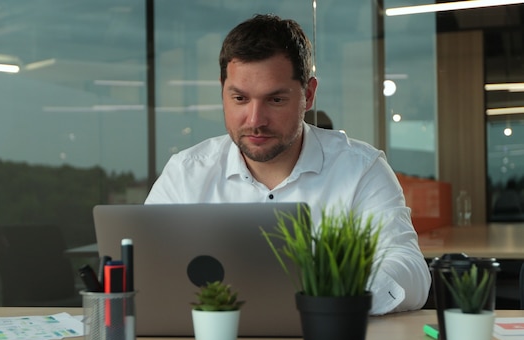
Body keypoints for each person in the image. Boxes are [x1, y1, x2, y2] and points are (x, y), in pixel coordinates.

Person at [145, 14, 430, 315]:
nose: (255, 120)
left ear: (308, 94)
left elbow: (410, 271)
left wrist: (328, 296)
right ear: (222, 90)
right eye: (240, 98)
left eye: (275, 100)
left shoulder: (360, 169)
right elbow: (144, 267)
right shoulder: (186, 173)